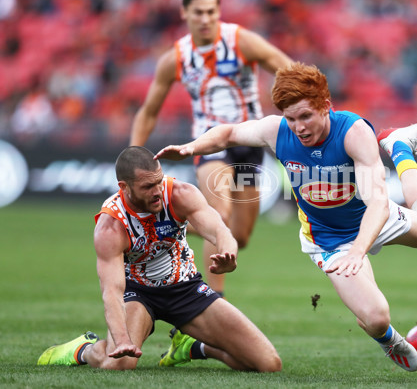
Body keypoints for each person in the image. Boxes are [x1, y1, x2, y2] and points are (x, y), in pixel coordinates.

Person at [155, 62, 417, 372]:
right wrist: (190, 148)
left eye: (306, 116)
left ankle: (400, 147)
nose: (299, 127)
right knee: (376, 319)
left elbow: (378, 203)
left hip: (373, 220)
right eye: (291, 118)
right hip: (327, 240)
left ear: (326, 106)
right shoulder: (277, 130)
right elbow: (228, 134)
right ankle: (387, 339)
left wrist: (359, 251)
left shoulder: (354, 132)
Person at [37, 146, 281, 371]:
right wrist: (121, 340)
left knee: (268, 364)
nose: (157, 191)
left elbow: (219, 229)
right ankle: (84, 349)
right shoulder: (111, 226)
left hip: (186, 289)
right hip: (138, 294)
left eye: (158, 181)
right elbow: (111, 292)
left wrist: (228, 253)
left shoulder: (180, 194)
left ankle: (193, 347)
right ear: (124, 187)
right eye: (147, 187)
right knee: (119, 363)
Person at [129, 0, 293, 298]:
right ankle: (213, 303)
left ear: (218, 11)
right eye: (199, 13)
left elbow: (286, 67)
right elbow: (149, 111)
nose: (206, 19)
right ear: (184, 13)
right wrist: (134, 155)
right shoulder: (175, 58)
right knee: (220, 215)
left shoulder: (240, 40)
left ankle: (161, 224)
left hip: (249, 143)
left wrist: (293, 103)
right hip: (208, 144)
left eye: (211, 12)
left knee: (239, 237)